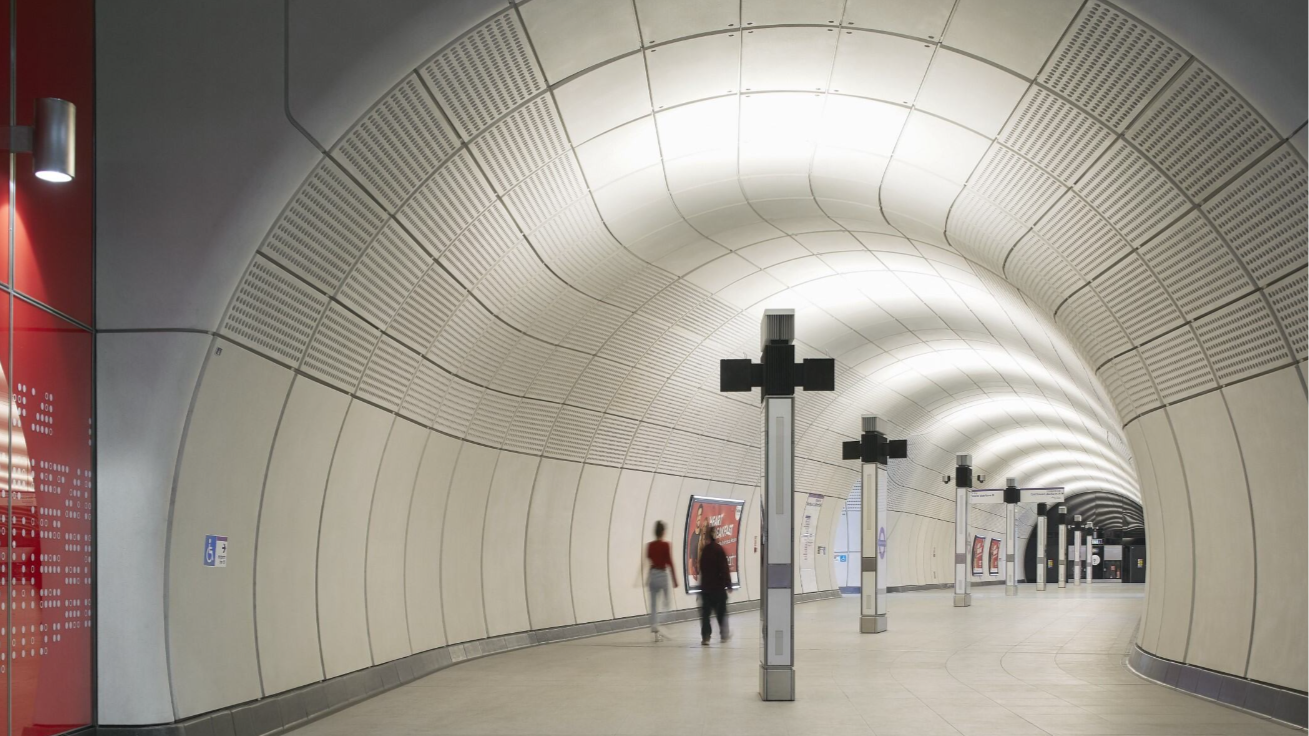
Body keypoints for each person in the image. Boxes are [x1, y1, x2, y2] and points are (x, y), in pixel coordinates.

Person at [698, 524, 731, 645]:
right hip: (718, 588)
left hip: (706, 588)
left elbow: (701, 568)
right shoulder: (719, 549)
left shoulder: (705, 551)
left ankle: (706, 637)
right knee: (721, 612)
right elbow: (724, 568)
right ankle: (724, 635)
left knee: (705, 615)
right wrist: (728, 583)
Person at [646, 520, 678, 641]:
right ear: (663, 532)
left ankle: (655, 630)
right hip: (662, 574)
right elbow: (669, 562)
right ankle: (658, 623)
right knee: (667, 603)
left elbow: (649, 558)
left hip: (653, 574)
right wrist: (674, 579)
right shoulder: (665, 545)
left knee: (653, 604)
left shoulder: (650, 545)